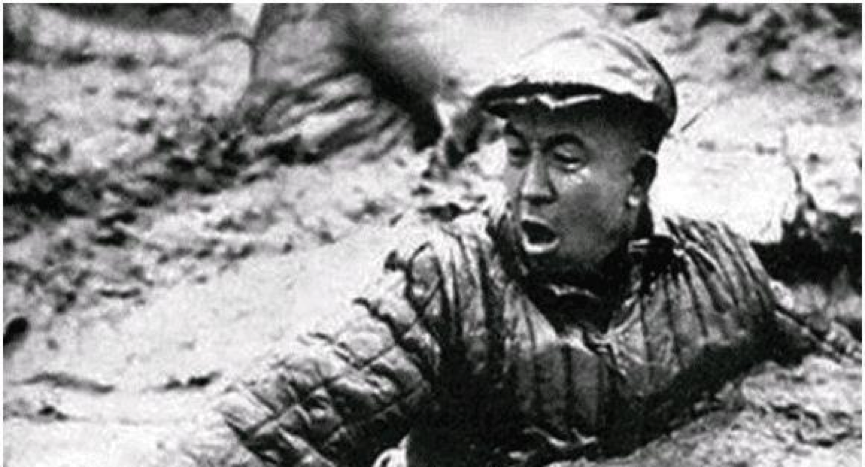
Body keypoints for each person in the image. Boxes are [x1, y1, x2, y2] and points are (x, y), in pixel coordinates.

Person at [157, 28, 858, 467]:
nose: (530, 187)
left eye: (565, 157)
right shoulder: (449, 282)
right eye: (517, 152)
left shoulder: (718, 273)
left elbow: (832, 374)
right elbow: (278, 424)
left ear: (637, 181)